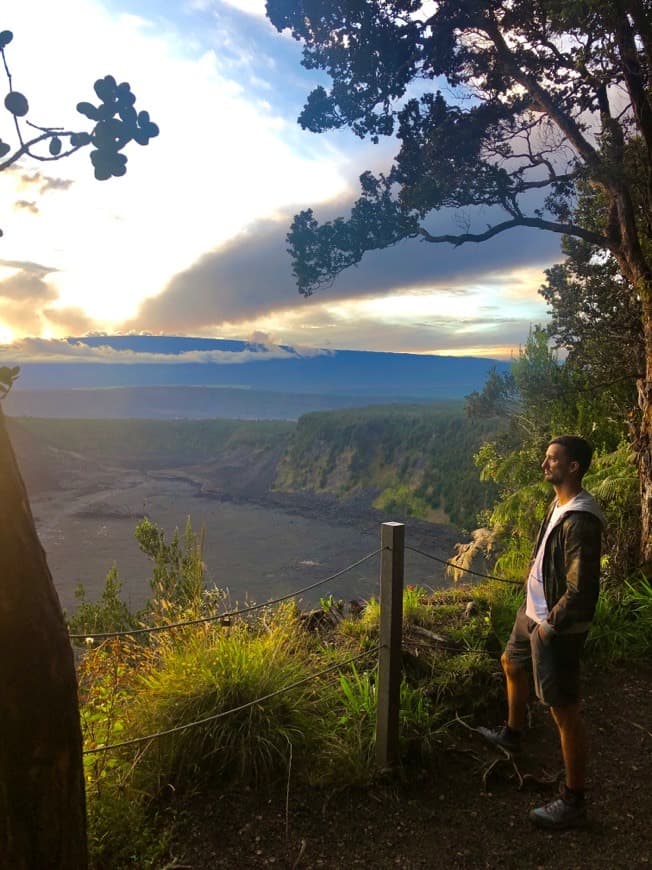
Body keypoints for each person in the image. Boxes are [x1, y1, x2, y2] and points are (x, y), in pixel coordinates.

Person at [478, 435, 606, 830]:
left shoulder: (581, 521)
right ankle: (513, 734)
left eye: (552, 460)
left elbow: (582, 590)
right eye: (546, 458)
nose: (544, 465)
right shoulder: (560, 504)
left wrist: (551, 626)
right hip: (531, 613)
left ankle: (574, 801)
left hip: (554, 626)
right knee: (510, 663)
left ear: (574, 467)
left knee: (564, 710)